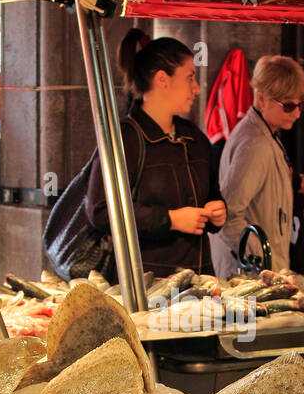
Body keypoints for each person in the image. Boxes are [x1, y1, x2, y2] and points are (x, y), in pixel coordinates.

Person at [84, 30, 226, 279]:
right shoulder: (125, 138)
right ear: (163, 80)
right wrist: (170, 219)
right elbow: (101, 211)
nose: (196, 88)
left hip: (201, 283)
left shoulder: (195, 138)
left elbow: (214, 195)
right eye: (190, 77)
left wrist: (218, 211)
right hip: (146, 288)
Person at [209, 56, 304, 279]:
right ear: (262, 99)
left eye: (301, 104)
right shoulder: (255, 142)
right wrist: (263, 259)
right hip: (250, 276)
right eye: (289, 106)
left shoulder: (265, 133)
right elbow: (230, 216)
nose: (297, 113)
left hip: (258, 269)